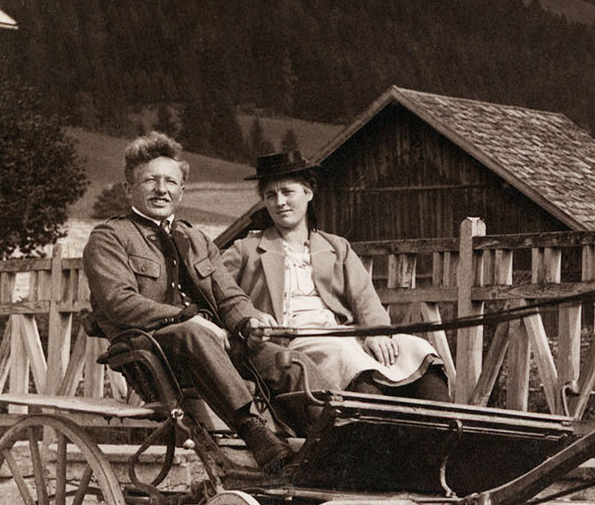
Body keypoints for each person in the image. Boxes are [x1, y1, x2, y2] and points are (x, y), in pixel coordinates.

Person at [83, 133, 304, 473]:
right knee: (192, 333)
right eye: (150, 181)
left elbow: (229, 296)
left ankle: (328, 437)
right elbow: (118, 303)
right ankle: (255, 433)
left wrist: (248, 322)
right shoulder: (110, 238)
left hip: (212, 346)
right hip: (155, 351)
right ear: (129, 190)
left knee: (284, 360)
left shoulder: (197, 239)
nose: (161, 189)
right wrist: (185, 318)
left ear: (181, 191)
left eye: (170, 181)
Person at [223, 149, 450, 401]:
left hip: (343, 334)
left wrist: (376, 333)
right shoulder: (246, 249)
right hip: (295, 341)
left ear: (308, 193)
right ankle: (377, 432)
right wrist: (252, 317)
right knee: (347, 359)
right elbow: (219, 295)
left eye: (288, 192)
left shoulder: (336, 247)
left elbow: (364, 297)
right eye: (270, 195)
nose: (280, 202)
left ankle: (444, 431)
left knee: (414, 348)